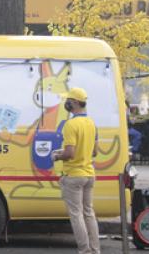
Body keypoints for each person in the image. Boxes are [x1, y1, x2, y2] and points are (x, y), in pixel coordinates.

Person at [52, 87, 100, 254]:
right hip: (89, 174)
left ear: (74, 103)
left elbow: (70, 153)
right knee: (89, 213)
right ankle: (95, 250)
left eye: (69, 101)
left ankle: (84, 250)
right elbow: (95, 151)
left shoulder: (71, 125)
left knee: (76, 214)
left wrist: (57, 156)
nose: (67, 103)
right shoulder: (92, 123)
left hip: (73, 176)